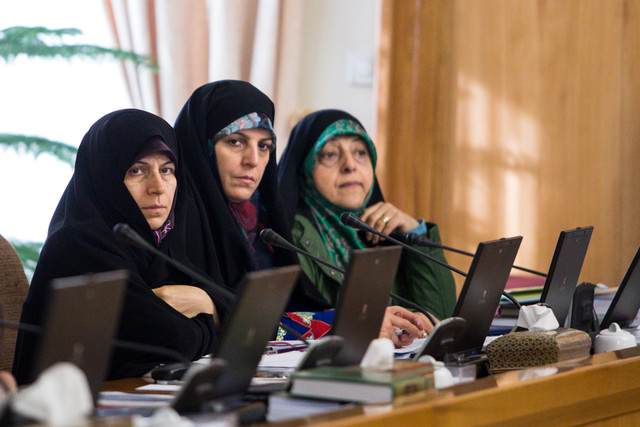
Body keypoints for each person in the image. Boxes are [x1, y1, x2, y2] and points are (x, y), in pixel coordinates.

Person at [174, 80, 427, 346]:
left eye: (264, 146)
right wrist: (344, 322)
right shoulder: (171, 226)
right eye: (235, 141)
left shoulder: (263, 228)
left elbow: (280, 317)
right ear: (202, 145)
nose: (253, 160)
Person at [13, 109, 235, 384]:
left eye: (166, 170)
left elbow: (253, 317)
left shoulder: (162, 243)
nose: (158, 187)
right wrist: (219, 322)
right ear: (106, 179)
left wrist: (206, 303)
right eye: (137, 171)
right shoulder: (78, 244)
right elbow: (174, 340)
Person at [277, 109, 457, 330]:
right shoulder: (290, 237)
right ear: (304, 168)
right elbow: (294, 327)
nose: (350, 165)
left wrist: (415, 234)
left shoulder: (380, 228)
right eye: (330, 154)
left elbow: (441, 318)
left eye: (360, 152)